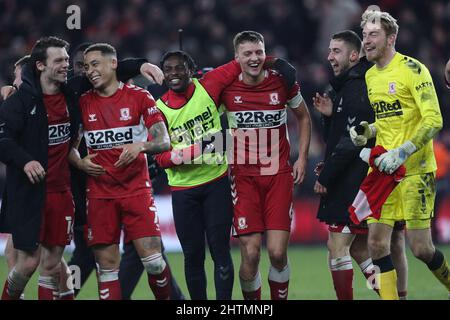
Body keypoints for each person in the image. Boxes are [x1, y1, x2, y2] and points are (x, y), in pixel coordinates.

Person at [66, 43, 185, 300]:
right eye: (86, 67)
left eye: (95, 64)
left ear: (113, 64)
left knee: (154, 262)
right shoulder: (82, 102)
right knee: (106, 269)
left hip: (135, 190)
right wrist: (80, 162)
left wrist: (140, 145)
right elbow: (70, 148)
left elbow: (164, 141)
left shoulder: (140, 97)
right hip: (98, 195)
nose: (90, 71)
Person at [350, 9, 450, 299]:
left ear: (391, 38)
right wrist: (368, 131)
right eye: (365, 35)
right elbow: (389, 120)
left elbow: (433, 120)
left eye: (373, 35)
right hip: (383, 170)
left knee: (421, 248)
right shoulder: (371, 76)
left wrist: (403, 152)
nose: (366, 41)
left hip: (415, 170)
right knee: (377, 245)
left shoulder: (413, 70)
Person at [313, 30, 408, 300]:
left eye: (336, 51)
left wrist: (327, 176)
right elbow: (343, 133)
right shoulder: (346, 87)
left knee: (337, 246)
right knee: (359, 250)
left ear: (354, 55)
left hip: (354, 178)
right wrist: (331, 117)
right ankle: (392, 298)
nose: (330, 56)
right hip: (355, 175)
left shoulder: (358, 87)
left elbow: (353, 141)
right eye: (330, 50)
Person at [219, 31, 311, 300]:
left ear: (265, 53)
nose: (254, 58)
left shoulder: (282, 83)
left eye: (259, 52)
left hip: (278, 175)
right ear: (236, 57)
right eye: (247, 53)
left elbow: (304, 118)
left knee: (278, 253)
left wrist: (302, 158)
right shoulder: (226, 89)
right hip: (243, 177)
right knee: (250, 253)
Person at [0, 36, 80, 300]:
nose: (66, 65)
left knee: (52, 263)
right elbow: (3, 140)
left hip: (62, 191)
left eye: (67, 60)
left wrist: (138, 67)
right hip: (29, 194)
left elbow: (103, 72)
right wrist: (26, 160)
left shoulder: (71, 94)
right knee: (28, 262)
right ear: (40, 66)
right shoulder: (19, 102)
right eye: (59, 60)